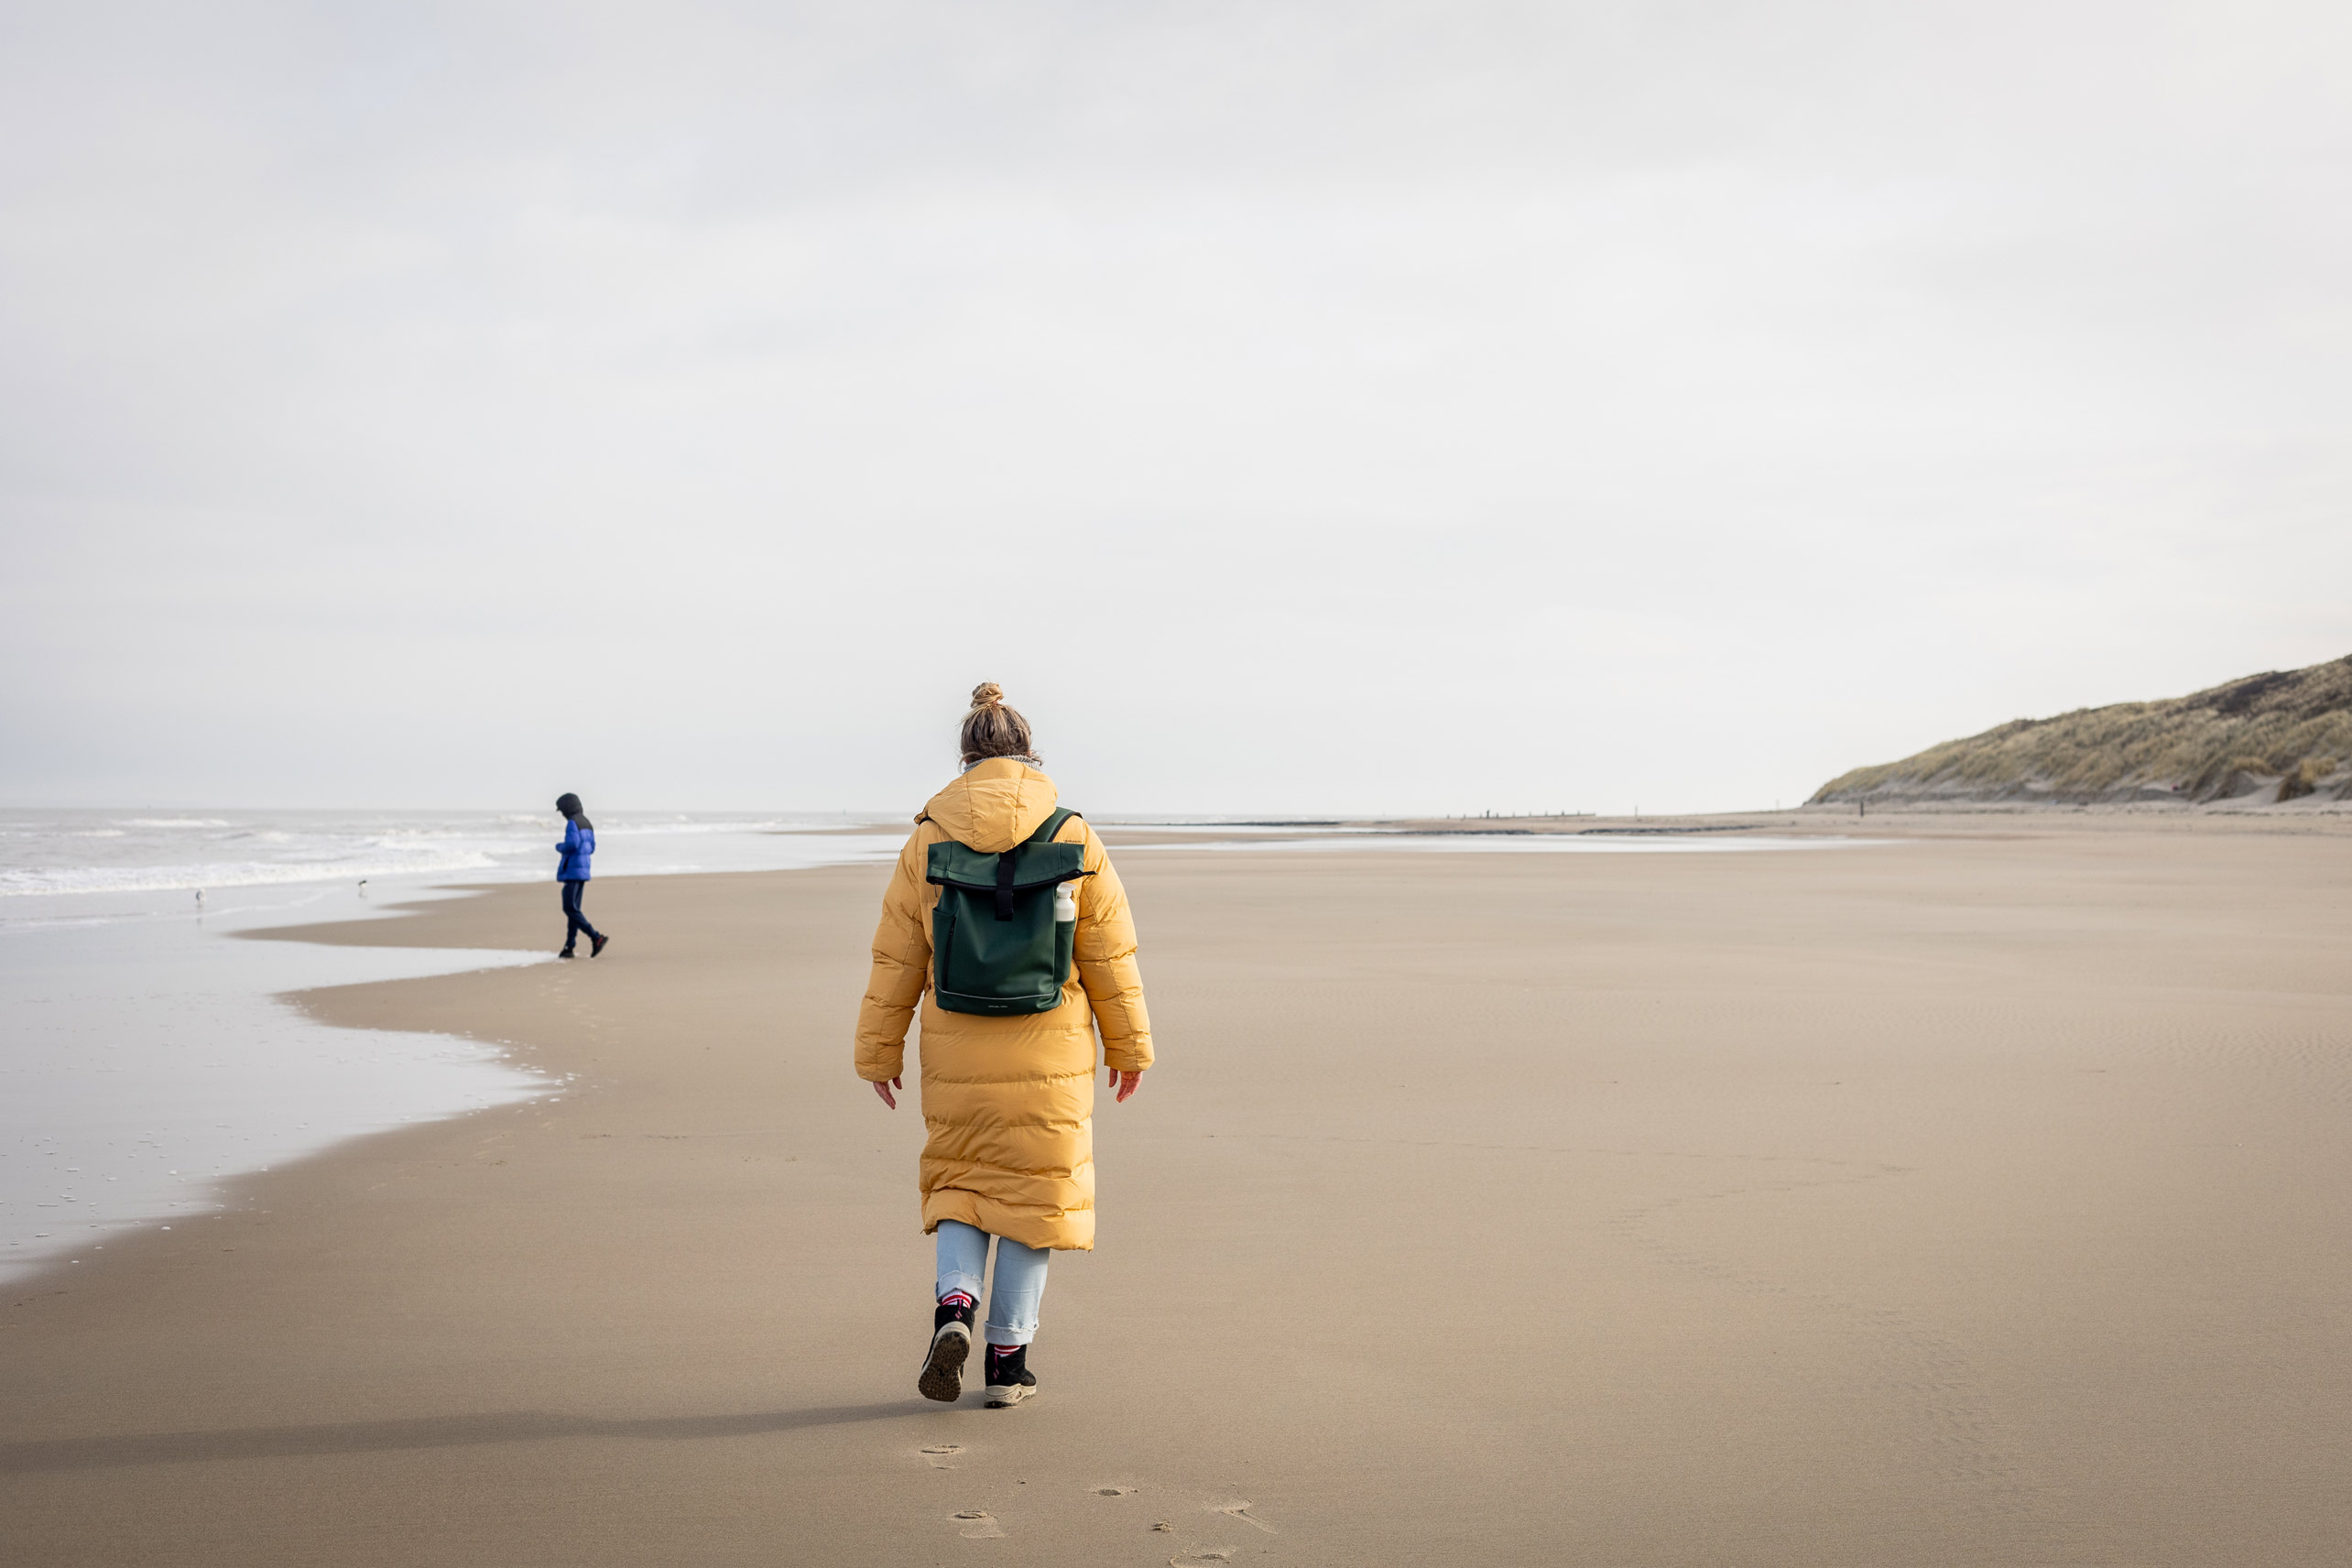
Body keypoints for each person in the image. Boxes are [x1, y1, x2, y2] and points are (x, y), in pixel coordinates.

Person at [855, 683, 1153, 1408]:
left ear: (966, 757)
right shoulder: (1072, 834)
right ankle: (1006, 1362)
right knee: (1036, 1200)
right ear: (1030, 754)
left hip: (956, 1046)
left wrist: (879, 1053)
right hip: (1048, 1051)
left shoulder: (929, 837)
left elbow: (898, 956)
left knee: (961, 1184)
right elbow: (1109, 956)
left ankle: (954, 1307)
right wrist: (1129, 1049)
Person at [554, 793, 609, 958]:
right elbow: (591, 848)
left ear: (567, 808)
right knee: (574, 909)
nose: (562, 814)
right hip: (583, 871)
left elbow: (572, 844)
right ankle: (569, 947)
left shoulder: (572, 823)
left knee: (569, 908)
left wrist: (559, 846)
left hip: (573, 871)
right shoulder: (586, 823)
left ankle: (595, 937)